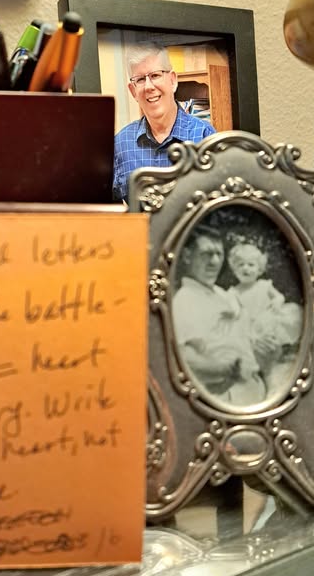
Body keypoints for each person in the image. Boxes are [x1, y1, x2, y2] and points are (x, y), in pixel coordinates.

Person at [172, 226, 268, 406]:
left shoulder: (225, 294)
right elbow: (185, 359)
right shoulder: (185, 299)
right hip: (225, 397)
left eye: (219, 254)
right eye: (206, 254)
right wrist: (230, 369)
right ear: (187, 256)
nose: (215, 261)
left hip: (255, 391)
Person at [113, 43, 217, 203]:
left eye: (155, 75)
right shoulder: (120, 145)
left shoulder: (204, 136)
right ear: (133, 91)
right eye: (140, 79)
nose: (149, 86)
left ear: (173, 80)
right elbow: (107, 211)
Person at [227, 242, 303, 395]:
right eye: (241, 265)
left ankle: (271, 385)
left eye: (251, 265)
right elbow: (234, 313)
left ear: (259, 269)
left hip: (267, 325)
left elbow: (279, 297)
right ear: (234, 269)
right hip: (248, 330)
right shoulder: (233, 292)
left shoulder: (264, 285)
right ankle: (256, 386)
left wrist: (277, 302)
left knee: (270, 358)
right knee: (250, 363)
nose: (246, 268)